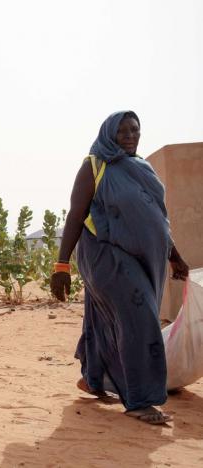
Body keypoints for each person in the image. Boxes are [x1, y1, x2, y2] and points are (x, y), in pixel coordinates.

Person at [51, 111, 189, 425]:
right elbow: (75, 215)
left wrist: (174, 256)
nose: (129, 135)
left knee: (105, 318)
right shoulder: (95, 165)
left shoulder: (144, 169)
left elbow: (157, 219)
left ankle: (94, 379)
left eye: (135, 130)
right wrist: (61, 265)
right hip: (102, 254)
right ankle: (141, 399)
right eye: (122, 131)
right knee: (140, 317)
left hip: (143, 258)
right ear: (109, 133)